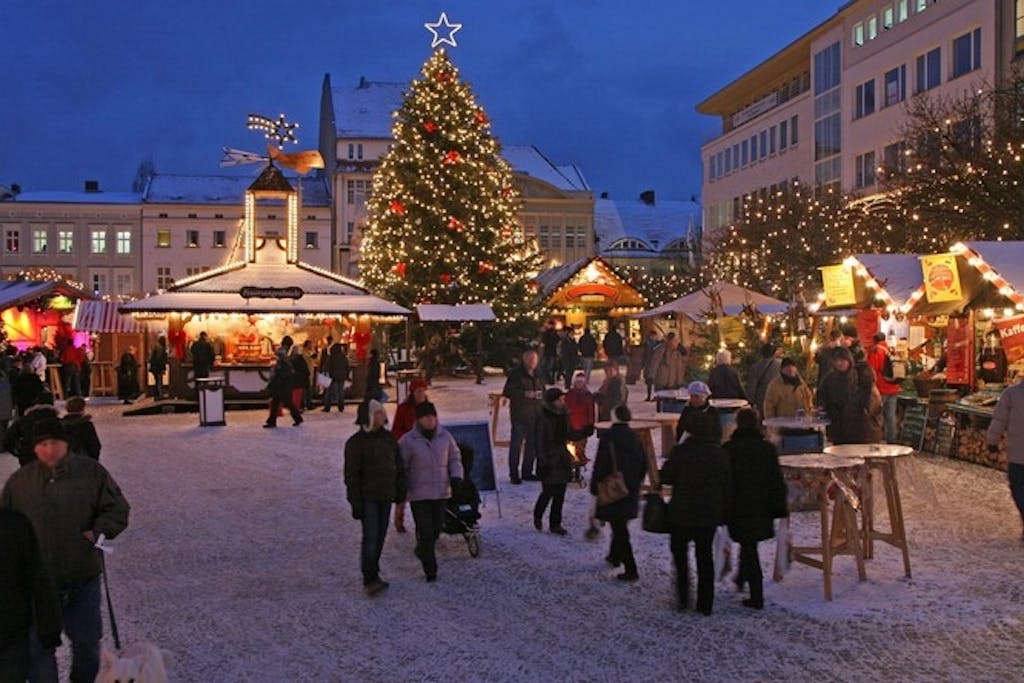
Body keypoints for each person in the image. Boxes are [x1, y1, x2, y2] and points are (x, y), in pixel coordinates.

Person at [1, 417, 130, 682]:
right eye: (42, 444)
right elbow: (6, 526)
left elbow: (117, 508)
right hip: (38, 585)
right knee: (39, 649)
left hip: (82, 576)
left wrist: (99, 529)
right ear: (34, 448)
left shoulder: (92, 472)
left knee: (87, 644)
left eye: (54, 443)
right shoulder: (19, 482)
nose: (49, 449)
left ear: (66, 444)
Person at [660, 406, 730, 615]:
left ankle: (683, 599)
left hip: (681, 512)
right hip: (707, 513)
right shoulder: (719, 454)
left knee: (680, 557)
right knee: (704, 556)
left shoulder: (681, 451)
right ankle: (705, 603)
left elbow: (667, 478)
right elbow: (726, 483)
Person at [723, 408, 788, 610]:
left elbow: (724, 481)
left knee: (748, 546)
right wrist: (779, 507)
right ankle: (741, 579)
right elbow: (776, 480)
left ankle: (756, 595)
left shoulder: (729, 449)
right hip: (761, 506)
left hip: (739, 506)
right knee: (749, 544)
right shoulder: (767, 449)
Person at [345, 399, 406, 596]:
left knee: (380, 535)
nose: (383, 416)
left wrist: (400, 490)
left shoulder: (389, 438)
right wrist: (355, 502)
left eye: (382, 412)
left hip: (386, 494)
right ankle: (369, 577)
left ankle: (374, 571)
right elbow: (351, 476)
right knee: (371, 536)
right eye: (378, 413)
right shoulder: (356, 443)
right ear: (370, 417)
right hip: (368, 497)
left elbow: (399, 465)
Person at [398, 402, 462, 582]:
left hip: (441, 492)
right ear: (419, 420)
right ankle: (430, 567)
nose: (431, 420)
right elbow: (401, 466)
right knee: (425, 530)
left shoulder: (445, 437)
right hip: (419, 493)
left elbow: (455, 458)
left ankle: (421, 550)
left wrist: (456, 477)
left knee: (436, 529)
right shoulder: (408, 441)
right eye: (427, 417)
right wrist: (402, 486)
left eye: (433, 417)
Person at [0, 509, 62, 681]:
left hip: (12, 636)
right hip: (12, 636)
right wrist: (50, 628)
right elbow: (40, 579)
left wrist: (49, 626)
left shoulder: (15, 524)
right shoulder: (15, 523)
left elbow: (39, 579)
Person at [591, 404, 647, 581]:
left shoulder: (609, 437)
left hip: (612, 485)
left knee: (619, 527)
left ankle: (631, 569)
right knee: (620, 522)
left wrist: (595, 485)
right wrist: (636, 482)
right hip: (630, 487)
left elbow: (601, 463)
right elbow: (643, 463)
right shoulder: (636, 437)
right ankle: (614, 555)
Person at [816, 347, 882, 444]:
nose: (839, 363)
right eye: (836, 361)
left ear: (849, 360)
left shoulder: (860, 377)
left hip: (859, 427)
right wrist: (821, 408)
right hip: (837, 426)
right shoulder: (829, 378)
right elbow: (821, 396)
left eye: (842, 360)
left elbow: (871, 401)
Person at [986, 377, 1024, 540]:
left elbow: (999, 420)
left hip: (1017, 455)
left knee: (1018, 489)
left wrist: (992, 443)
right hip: (1017, 453)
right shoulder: (1011, 394)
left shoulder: (1011, 394)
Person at [392, 378, 430, 532]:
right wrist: (408, 439)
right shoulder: (404, 408)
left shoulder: (428, 408)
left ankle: (424, 520)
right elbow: (396, 430)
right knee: (405, 487)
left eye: (423, 391)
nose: (421, 394)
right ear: (412, 392)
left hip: (425, 452)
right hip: (407, 452)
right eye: (418, 391)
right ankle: (399, 518)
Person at [534, 387, 573, 535]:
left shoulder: (564, 414)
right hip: (549, 459)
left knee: (560, 493)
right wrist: (543, 461)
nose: (563, 402)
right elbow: (540, 441)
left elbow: (567, 433)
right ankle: (538, 514)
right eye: (560, 399)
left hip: (562, 457)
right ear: (553, 401)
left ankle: (555, 524)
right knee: (548, 491)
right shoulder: (544, 417)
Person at [501, 349, 544, 484]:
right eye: (530, 360)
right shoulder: (516, 374)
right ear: (524, 360)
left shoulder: (539, 374)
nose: (533, 362)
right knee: (516, 446)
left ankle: (527, 472)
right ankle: (514, 473)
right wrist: (525, 394)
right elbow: (508, 392)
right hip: (520, 416)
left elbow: (544, 391)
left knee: (532, 446)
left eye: (535, 360)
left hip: (536, 415)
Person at [4, 391, 60, 467]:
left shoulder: (24, 420)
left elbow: (8, 438)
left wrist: (18, 452)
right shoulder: (56, 420)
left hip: (28, 456)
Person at [867, 332, 902, 443]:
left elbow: (872, 371)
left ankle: (877, 438)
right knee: (891, 415)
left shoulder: (876, 351)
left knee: (877, 415)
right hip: (894, 387)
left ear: (874, 340)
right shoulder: (891, 350)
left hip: (881, 388)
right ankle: (892, 439)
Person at [264, 348, 303, 428]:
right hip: (283, 388)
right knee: (279, 404)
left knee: (285, 403)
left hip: (281, 388)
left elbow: (280, 376)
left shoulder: (282, 364)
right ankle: (272, 420)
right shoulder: (284, 363)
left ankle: (297, 418)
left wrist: (273, 383)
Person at [61, 396, 101, 461]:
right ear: (82, 409)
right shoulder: (86, 425)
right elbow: (95, 446)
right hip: (83, 459)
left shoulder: (61, 425)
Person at [745, 343, 780, 416]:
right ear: (774, 353)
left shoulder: (755, 367)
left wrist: (750, 401)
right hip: (779, 399)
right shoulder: (781, 365)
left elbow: (752, 387)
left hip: (762, 400)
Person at [323, 341, 350, 413]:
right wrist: (347, 375)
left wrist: (325, 373)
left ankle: (327, 407)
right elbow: (347, 366)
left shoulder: (331, 357)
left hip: (333, 376)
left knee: (330, 392)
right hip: (342, 376)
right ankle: (341, 406)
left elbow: (326, 366)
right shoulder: (343, 357)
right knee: (341, 391)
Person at [290, 344, 312, 412]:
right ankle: (300, 406)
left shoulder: (289, 358)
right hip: (300, 378)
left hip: (293, 378)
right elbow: (304, 368)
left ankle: (294, 406)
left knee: (294, 393)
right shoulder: (300, 358)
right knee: (300, 393)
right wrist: (308, 374)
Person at [641, 330, 661, 401]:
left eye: (654, 336)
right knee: (649, 381)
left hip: (655, 365)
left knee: (656, 382)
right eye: (652, 336)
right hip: (648, 364)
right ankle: (649, 396)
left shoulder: (658, 344)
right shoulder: (647, 344)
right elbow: (644, 355)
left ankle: (656, 396)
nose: (654, 337)